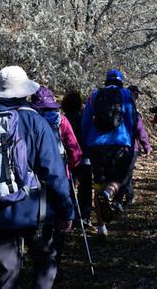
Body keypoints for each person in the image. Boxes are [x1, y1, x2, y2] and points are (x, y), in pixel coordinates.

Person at [0, 66, 74, 288]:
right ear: (25, 92)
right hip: (35, 209)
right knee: (44, 260)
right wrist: (66, 209)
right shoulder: (34, 121)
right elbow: (53, 171)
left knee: (6, 273)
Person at [31, 86, 82, 266]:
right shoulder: (61, 121)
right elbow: (75, 152)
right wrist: (69, 168)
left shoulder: (30, 121)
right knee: (61, 220)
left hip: (33, 181)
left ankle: (39, 258)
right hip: (60, 177)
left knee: (40, 220)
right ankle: (54, 260)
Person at [82, 69, 136, 237]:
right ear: (121, 81)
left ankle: (101, 227)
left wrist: (87, 143)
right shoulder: (127, 95)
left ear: (106, 81)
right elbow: (132, 120)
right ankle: (109, 193)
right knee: (120, 179)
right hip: (120, 144)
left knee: (98, 184)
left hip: (96, 146)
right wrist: (131, 141)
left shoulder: (94, 95)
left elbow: (85, 122)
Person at [112, 85, 151, 212]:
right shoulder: (133, 110)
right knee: (126, 173)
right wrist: (146, 146)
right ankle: (118, 201)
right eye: (137, 94)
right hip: (130, 147)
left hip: (112, 145)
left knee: (122, 173)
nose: (138, 97)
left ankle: (129, 196)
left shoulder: (114, 109)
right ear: (133, 94)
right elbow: (140, 130)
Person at [61, 91, 93, 227]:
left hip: (68, 158)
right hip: (85, 157)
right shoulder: (84, 118)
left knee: (70, 187)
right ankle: (84, 216)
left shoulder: (63, 119)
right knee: (85, 187)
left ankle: (72, 215)